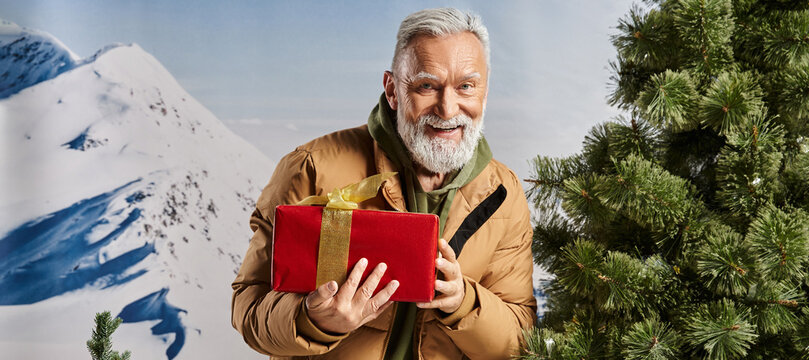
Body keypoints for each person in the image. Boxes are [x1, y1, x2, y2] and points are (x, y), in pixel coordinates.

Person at [231, 8, 536, 359]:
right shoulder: (311, 168)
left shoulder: (503, 192)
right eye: (427, 86)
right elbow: (248, 309)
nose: (448, 108)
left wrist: (464, 303)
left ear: (484, 91)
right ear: (392, 90)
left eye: (466, 86)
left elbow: (521, 341)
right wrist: (313, 320)